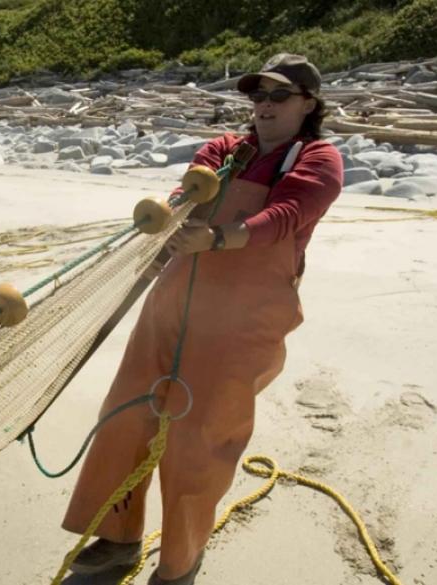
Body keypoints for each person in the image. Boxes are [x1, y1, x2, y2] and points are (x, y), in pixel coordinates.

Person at [60, 54, 343, 584]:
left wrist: (217, 237)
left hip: (244, 320)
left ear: (308, 103)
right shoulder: (226, 150)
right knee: (126, 415)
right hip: (173, 302)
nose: (264, 105)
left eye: (279, 96)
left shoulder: (318, 159)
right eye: (258, 96)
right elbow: (190, 184)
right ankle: (116, 536)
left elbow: (286, 217)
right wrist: (171, 208)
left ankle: (179, 561)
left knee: (200, 439)